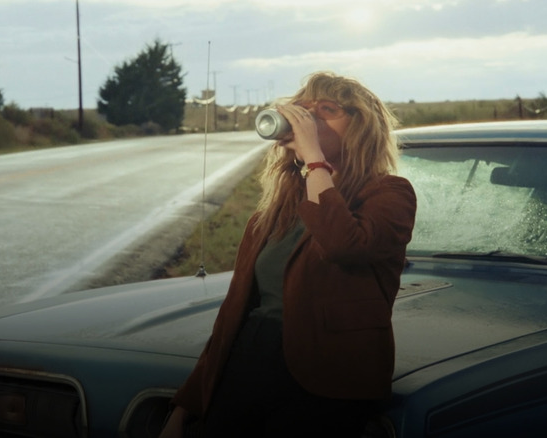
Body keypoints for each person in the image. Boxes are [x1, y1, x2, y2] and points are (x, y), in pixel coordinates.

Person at [159, 71, 416, 438]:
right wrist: (186, 406)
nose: (308, 118)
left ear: (362, 127)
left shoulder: (389, 194)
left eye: (326, 109)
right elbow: (234, 314)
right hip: (250, 362)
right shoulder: (275, 212)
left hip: (328, 382)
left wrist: (314, 160)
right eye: (303, 109)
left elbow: (345, 244)